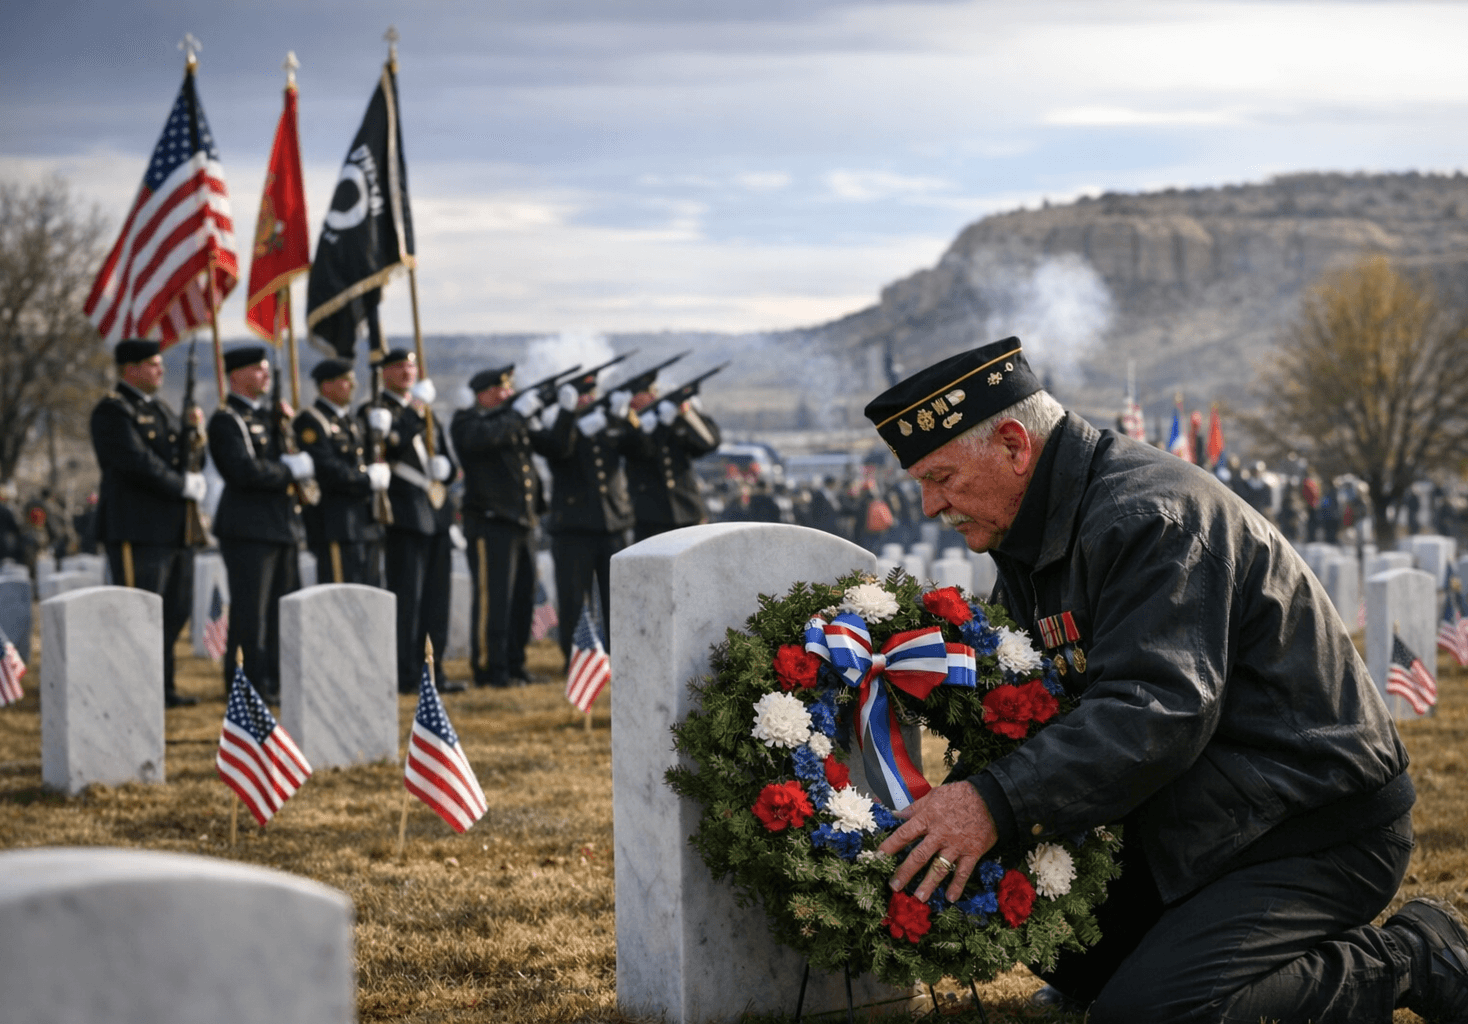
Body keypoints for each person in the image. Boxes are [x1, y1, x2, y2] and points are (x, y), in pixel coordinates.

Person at [864, 337, 1460, 1023]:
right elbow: (1021, 704)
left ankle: (1411, 958)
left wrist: (992, 802)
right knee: (1055, 933)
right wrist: (948, 807)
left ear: (1012, 444)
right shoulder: (1034, 534)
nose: (932, 506)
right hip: (1202, 815)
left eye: (941, 478)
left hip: (1307, 823)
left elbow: (1156, 710)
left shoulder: (1145, 518)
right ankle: (1153, 968)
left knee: (1148, 1017)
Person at [88, 338, 206, 708]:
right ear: (131, 369)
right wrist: (180, 485)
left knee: (175, 609)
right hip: (135, 528)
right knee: (140, 613)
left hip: (174, 529)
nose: (161, 370)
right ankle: (134, 688)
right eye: (153, 364)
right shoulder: (113, 411)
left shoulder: (164, 410)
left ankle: (161, 686)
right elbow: (135, 462)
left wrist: (194, 434)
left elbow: (185, 460)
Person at [207, 344, 313, 700]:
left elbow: (285, 451)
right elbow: (243, 471)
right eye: (257, 369)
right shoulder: (226, 420)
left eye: (266, 369)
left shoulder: (270, 417)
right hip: (248, 528)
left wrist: (288, 427)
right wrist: (287, 471)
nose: (265, 375)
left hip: (281, 526)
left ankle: (275, 679)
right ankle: (247, 684)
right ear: (236, 376)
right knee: (252, 613)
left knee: (281, 610)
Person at [359, 348, 460, 693]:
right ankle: (406, 672)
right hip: (404, 515)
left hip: (436, 514)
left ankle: (435, 670)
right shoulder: (377, 410)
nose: (407, 371)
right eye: (399, 366)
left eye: (411, 365)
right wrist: (415, 409)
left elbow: (442, 453)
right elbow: (390, 445)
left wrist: (444, 473)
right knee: (409, 600)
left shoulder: (426, 412)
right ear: (385, 373)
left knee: (436, 600)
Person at [449, 364, 545, 688]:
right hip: (491, 523)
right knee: (495, 599)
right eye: (502, 389)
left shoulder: (509, 419)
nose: (508, 394)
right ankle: (490, 667)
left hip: (522, 521)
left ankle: (515, 663)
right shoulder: (467, 421)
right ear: (485, 393)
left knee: (522, 598)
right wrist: (517, 415)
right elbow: (482, 440)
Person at [536, 368, 634, 665]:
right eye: (581, 395)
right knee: (574, 601)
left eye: (591, 394)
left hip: (611, 523)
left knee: (616, 600)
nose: (587, 399)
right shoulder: (558, 427)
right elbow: (557, 449)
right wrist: (568, 415)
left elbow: (639, 447)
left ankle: (619, 658)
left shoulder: (606, 422)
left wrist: (622, 417)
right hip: (573, 527)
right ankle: (577, 660)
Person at [294, 358, 387, 588]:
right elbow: (327, 469)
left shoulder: (350, 420)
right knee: (341, 595)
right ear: (327, 385)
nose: (353, 386)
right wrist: (366, 479)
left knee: (369, 594)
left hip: (364, 523)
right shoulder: (312, 421)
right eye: (346, 381)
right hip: (336, 523)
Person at [624, 382, 721, 541]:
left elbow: (709, 442)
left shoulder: (674, 417)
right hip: (650, 515)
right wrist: (649, 427)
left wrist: (687, 413)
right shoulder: (631, 423)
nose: (650, 396)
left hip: (688, 509)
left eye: (652, 392)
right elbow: (642, 451)